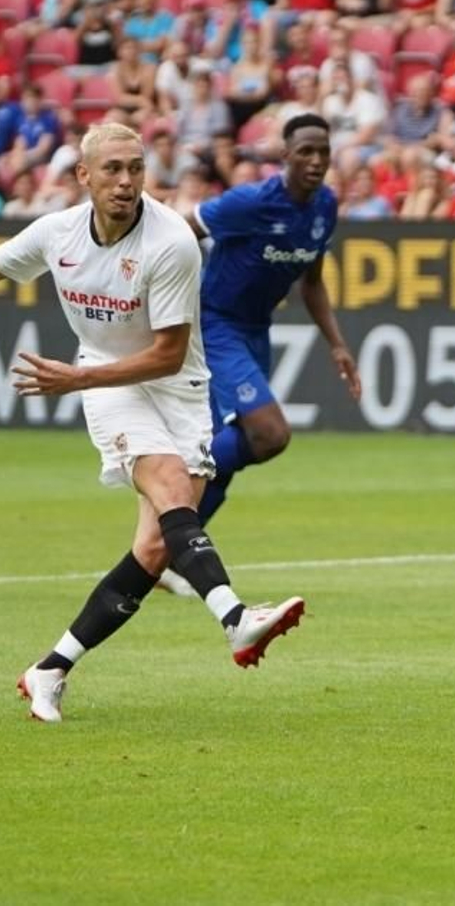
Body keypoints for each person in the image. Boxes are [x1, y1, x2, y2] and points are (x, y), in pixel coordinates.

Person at [0, 122, 307, 723]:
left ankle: (50, 669)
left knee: (157, 546)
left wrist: (71, 380)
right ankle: (238, 619)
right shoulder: (57, 232)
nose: (126, 181)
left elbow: (165, 353)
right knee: (167, 491)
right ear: (84, 176)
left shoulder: (171, 243)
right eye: (112, 169)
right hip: (108, 380)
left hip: (177, 386)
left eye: (135, 168)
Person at [154, 114, 362, 594]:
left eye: (323, 153)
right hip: (214, 324)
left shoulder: (325, 206)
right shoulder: (249, 202)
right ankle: (178, 475)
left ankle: (169, 550)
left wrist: (337, 344)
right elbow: (179, 235)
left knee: (235, 452)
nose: (315, 161)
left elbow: (311, 281)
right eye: (305, 151)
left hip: (255, 331)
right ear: (285, 156)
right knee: (269, 433)